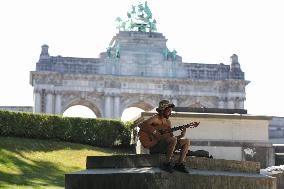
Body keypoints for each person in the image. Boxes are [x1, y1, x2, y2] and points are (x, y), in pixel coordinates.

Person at [138, 100, 190, 173]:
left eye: (170, 111)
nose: (170, 113)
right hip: (154, 146)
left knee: (186, 141)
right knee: (173, 140)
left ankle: (179, 164)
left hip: (165, 145)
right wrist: (154, 132)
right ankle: (166, 163)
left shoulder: (168, 122)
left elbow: (172, 137)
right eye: (168, 111)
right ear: (162, 110)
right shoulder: (155, 118)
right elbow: (141, 125)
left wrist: (181, 135)